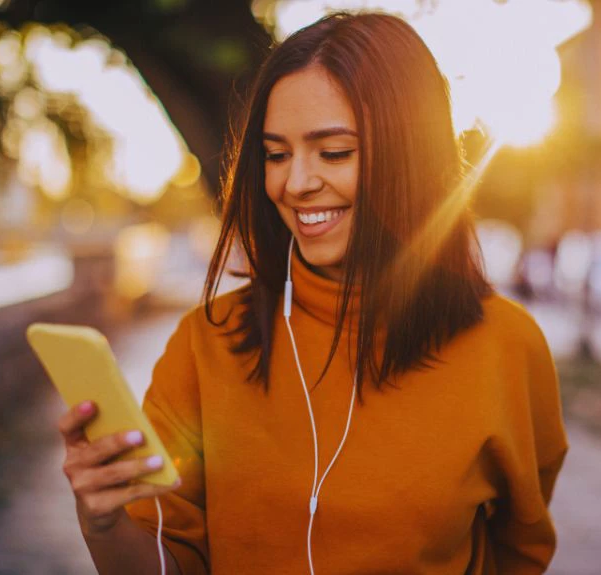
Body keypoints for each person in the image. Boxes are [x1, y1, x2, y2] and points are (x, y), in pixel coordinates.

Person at [56, 11, 568, 575]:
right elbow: (165, 561)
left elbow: (518, 553)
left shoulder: (508, 347)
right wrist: (101, 523)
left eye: (333, 152)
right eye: (277, 154)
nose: (295, 183)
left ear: (412, 156)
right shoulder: (206, 344)